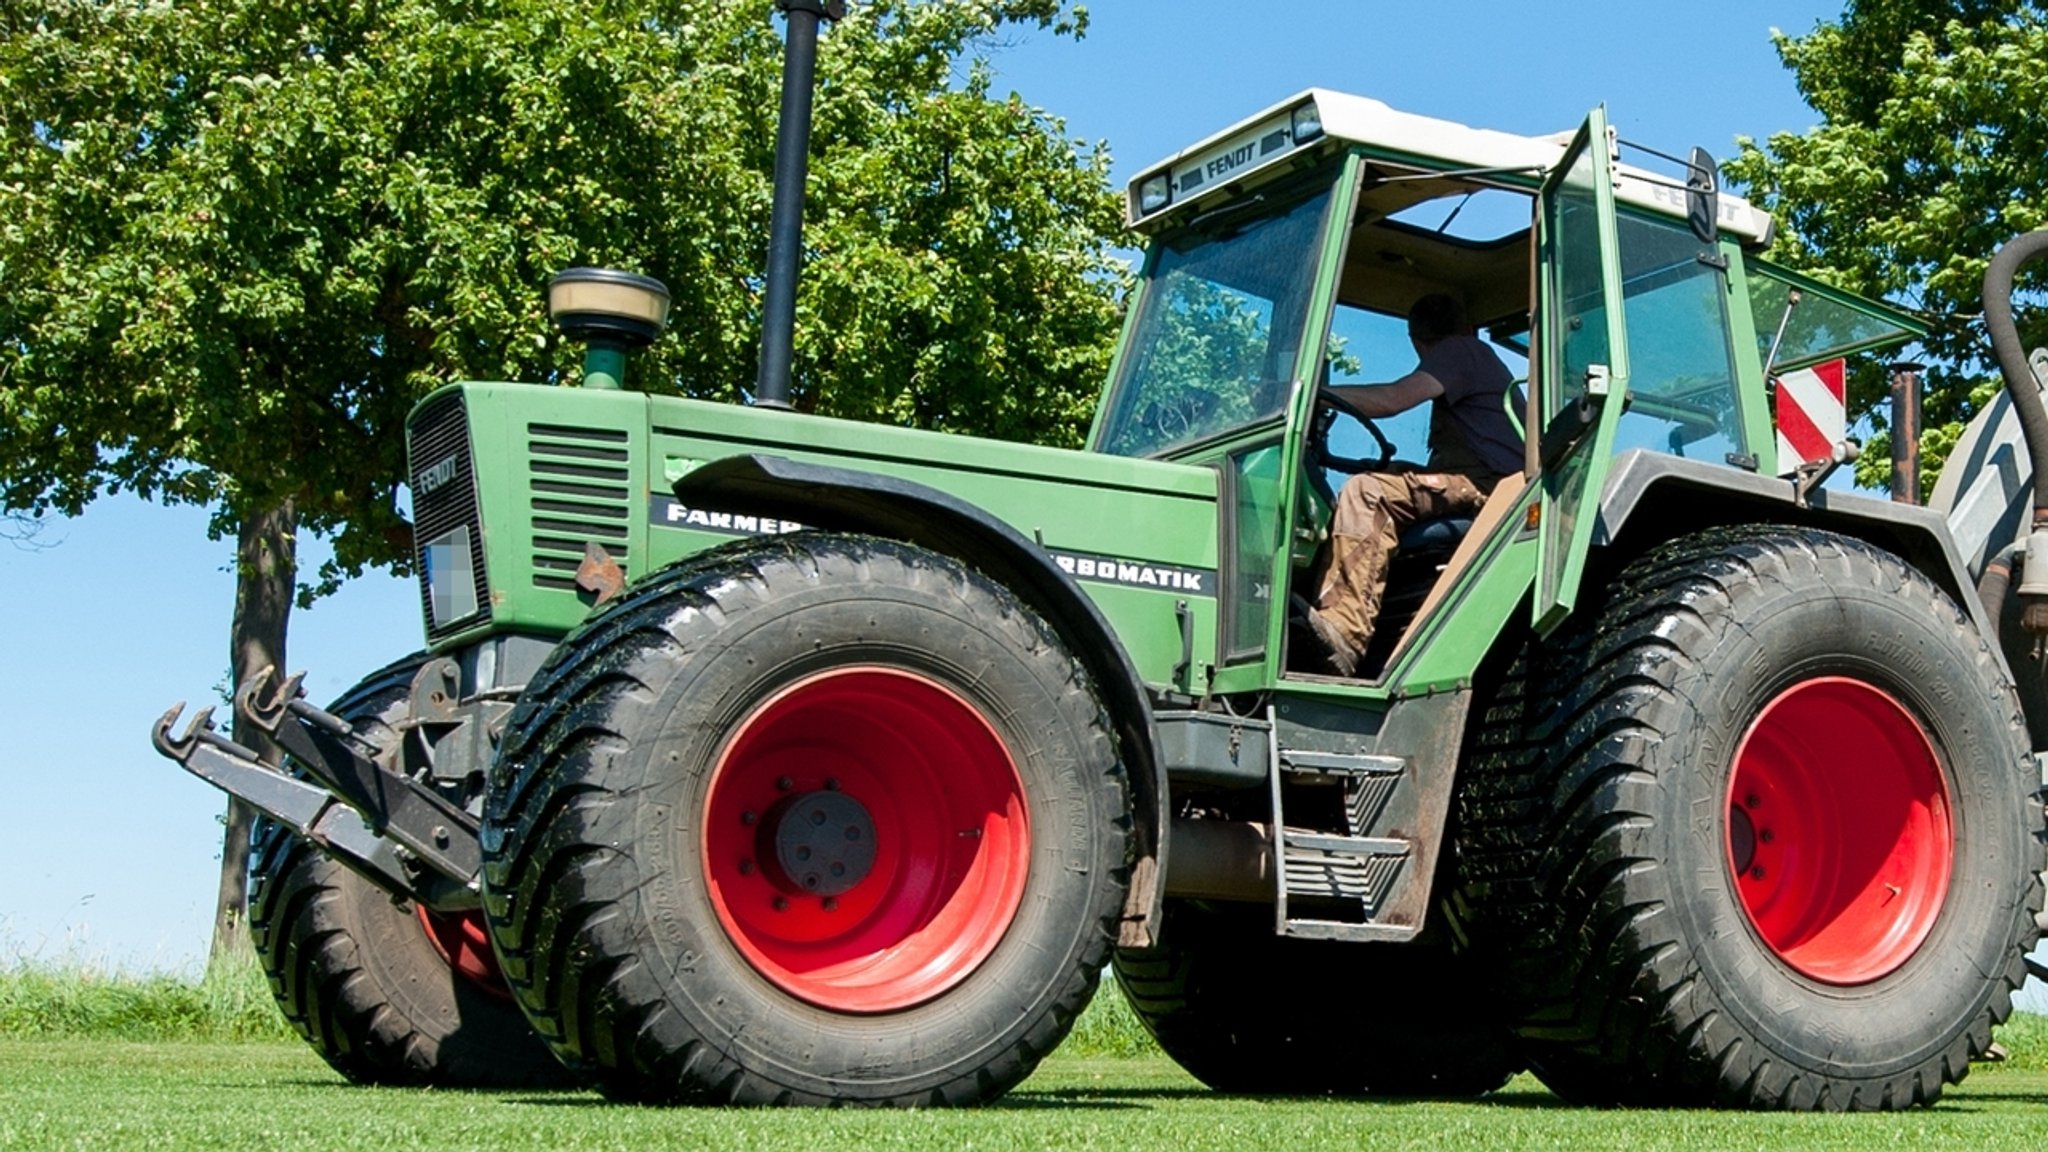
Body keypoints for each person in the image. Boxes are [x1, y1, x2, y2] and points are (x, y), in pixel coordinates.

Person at [1307, 293, 1524, 676]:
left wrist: (1312, 395)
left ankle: (1344, 632)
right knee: (1379, 476)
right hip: (1477, 478)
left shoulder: (1460, 350)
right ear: (1467, 324)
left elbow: (1393, 399)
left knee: (1368, 491)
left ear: (1416, 340)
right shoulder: (1475, 356)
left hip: (1491, 485)